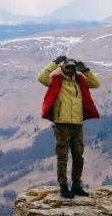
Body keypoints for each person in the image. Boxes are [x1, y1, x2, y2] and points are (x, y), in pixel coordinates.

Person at [37, 55, 100, 198]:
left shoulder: (80, 80)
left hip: (77, 124)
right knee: (62, 157)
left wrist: (86, 71)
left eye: (73, 68)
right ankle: (64, 187)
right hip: (61, 124)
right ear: (62, 67)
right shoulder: (55, 80)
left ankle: (76, 185)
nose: (71, 70)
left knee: (78, 156)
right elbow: (41, 77)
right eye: (68, 67)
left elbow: (96, 84)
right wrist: (54, 63)